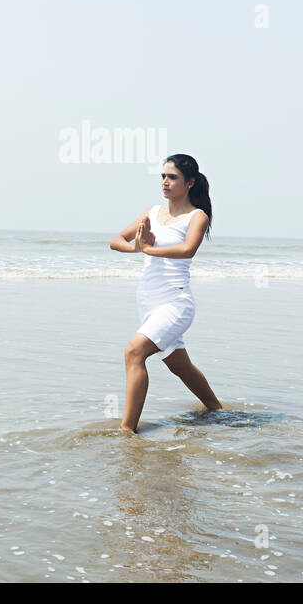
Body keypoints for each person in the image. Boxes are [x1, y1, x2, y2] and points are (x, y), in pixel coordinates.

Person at [109, 154, 223, 433]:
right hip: (149, 302)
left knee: (134, 352)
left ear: (190, 182)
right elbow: (116, 241)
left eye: (172, 177)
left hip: (176, 303)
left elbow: (187, 250)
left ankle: (127, 430)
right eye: (163, 176)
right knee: (178, 365)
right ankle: (217, 410)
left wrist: (149, 249)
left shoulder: (197, 216)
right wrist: (138, 247)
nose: (165, 182)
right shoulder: (152, 213)